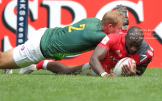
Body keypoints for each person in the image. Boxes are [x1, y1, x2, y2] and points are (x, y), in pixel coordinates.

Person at [0, 8, 124, 70]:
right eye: (119, 27)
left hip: (45, 33)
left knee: (7, 60)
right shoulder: (101, 36)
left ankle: (23, 66)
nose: (120, 31)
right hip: (39, 47)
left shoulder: (95, 20)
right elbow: (117, 42)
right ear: (109, 26)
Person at [19, 26, 154, 77]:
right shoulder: (113, 38)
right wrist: (104, 74)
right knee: (67, 72)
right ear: (125, 38)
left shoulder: (146, 53)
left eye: (137, 46)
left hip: (114, 72)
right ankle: (36, 65)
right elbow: (94, 58)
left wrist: (132, 75)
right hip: (101, 67)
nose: (133, 49)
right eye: (131, 45)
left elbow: (139, 74)